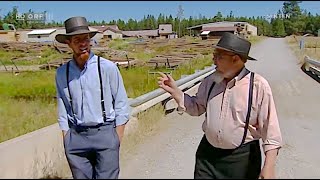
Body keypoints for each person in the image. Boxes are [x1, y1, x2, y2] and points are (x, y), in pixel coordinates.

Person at [158, 32, 282, 179]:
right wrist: (176, 92)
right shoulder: (210, 81)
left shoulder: (257, 86)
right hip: (208, 157)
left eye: (219, 56)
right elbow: (197, 107)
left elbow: (271, 131)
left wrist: (269, 166)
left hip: (241, 160)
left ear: (235, 59)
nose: (213, 59)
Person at [55, 16, 129, 179]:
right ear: (69, 43)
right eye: (77, 40)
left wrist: (116, 139)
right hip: (76, 137)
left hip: (105, 133)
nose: (83, 44)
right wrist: (67, 138)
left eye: (86, 39)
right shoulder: (62, 73)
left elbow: (122, 104)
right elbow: (62, 108)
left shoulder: (107, 68)